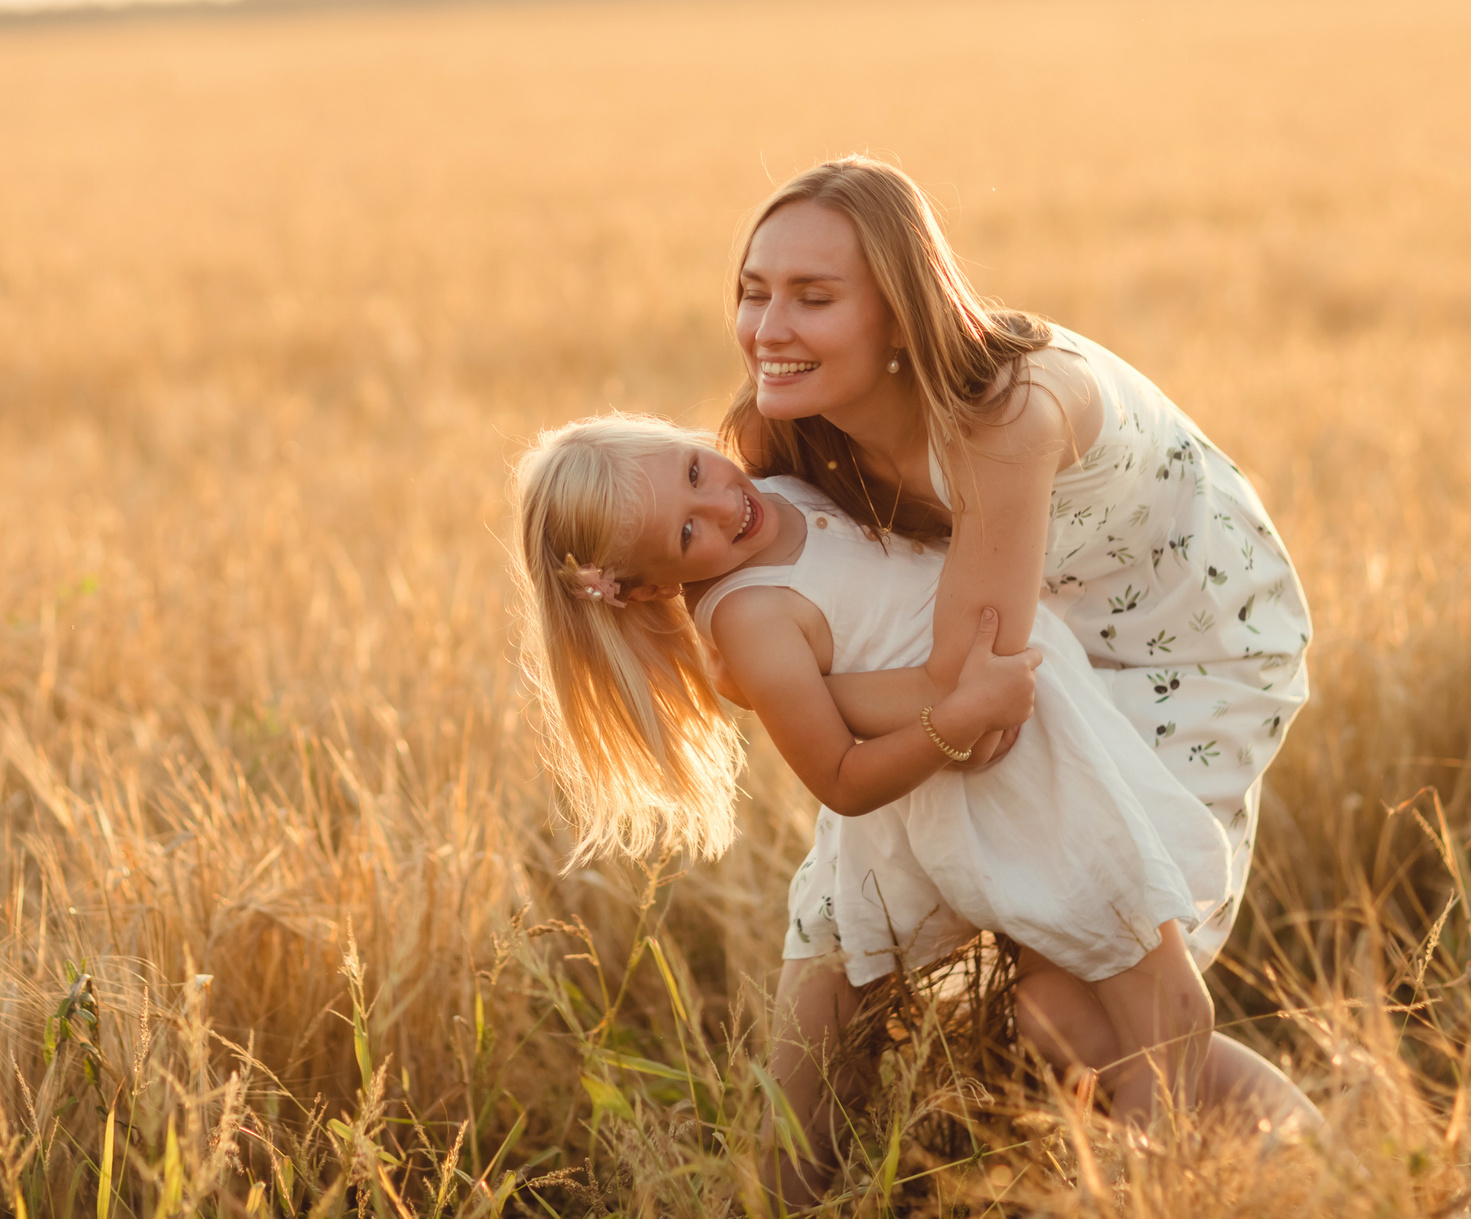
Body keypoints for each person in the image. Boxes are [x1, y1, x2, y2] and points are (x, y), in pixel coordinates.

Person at [512, 415, 1313, 1202]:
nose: (723, 506)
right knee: (1162, 1008)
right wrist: (955, 720)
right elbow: (841, 775)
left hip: (1044, 748)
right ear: (654, 585)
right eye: (689, 535)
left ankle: (1310, 1162)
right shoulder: (750, 615)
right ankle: (1227, 1178)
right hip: (1007, 791)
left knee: (1077, 1022)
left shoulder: (783, 479)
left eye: (693, 471)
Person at [723, 155, 1315, 1143]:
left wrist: (796, 691)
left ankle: (1336, 1177)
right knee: (835, 934)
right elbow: (761, 626)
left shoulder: (1003, 411)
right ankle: (786, 1196)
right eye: (752, 291)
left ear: (901, 316)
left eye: (812, 298)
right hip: (1017, 646)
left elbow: (970, 699)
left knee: (1078, 1007)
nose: (768, 329)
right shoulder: (794, 429)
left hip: (1180, 653)